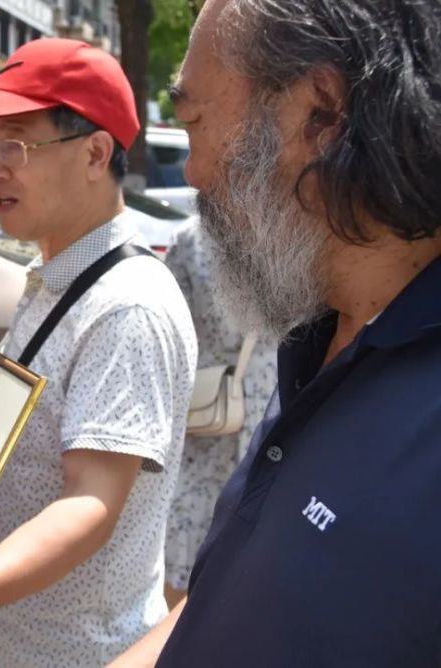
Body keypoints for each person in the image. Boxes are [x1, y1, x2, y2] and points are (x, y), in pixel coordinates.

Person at [110, 0, 441, 665]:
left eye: (196, 121)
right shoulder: (317, 333)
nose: (194, 173)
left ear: (321, 113)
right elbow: (217, 608)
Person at [0, 38, 197, 666]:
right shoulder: (58, 277)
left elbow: (90, 501)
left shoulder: (126, 306)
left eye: (14, 145)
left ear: (96, 152)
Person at [162, 218, 277, 606]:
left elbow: (171, 327)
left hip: (204, 403)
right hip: (271, 406)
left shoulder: (192, 237)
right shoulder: (298, 232)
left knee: (184, 531)